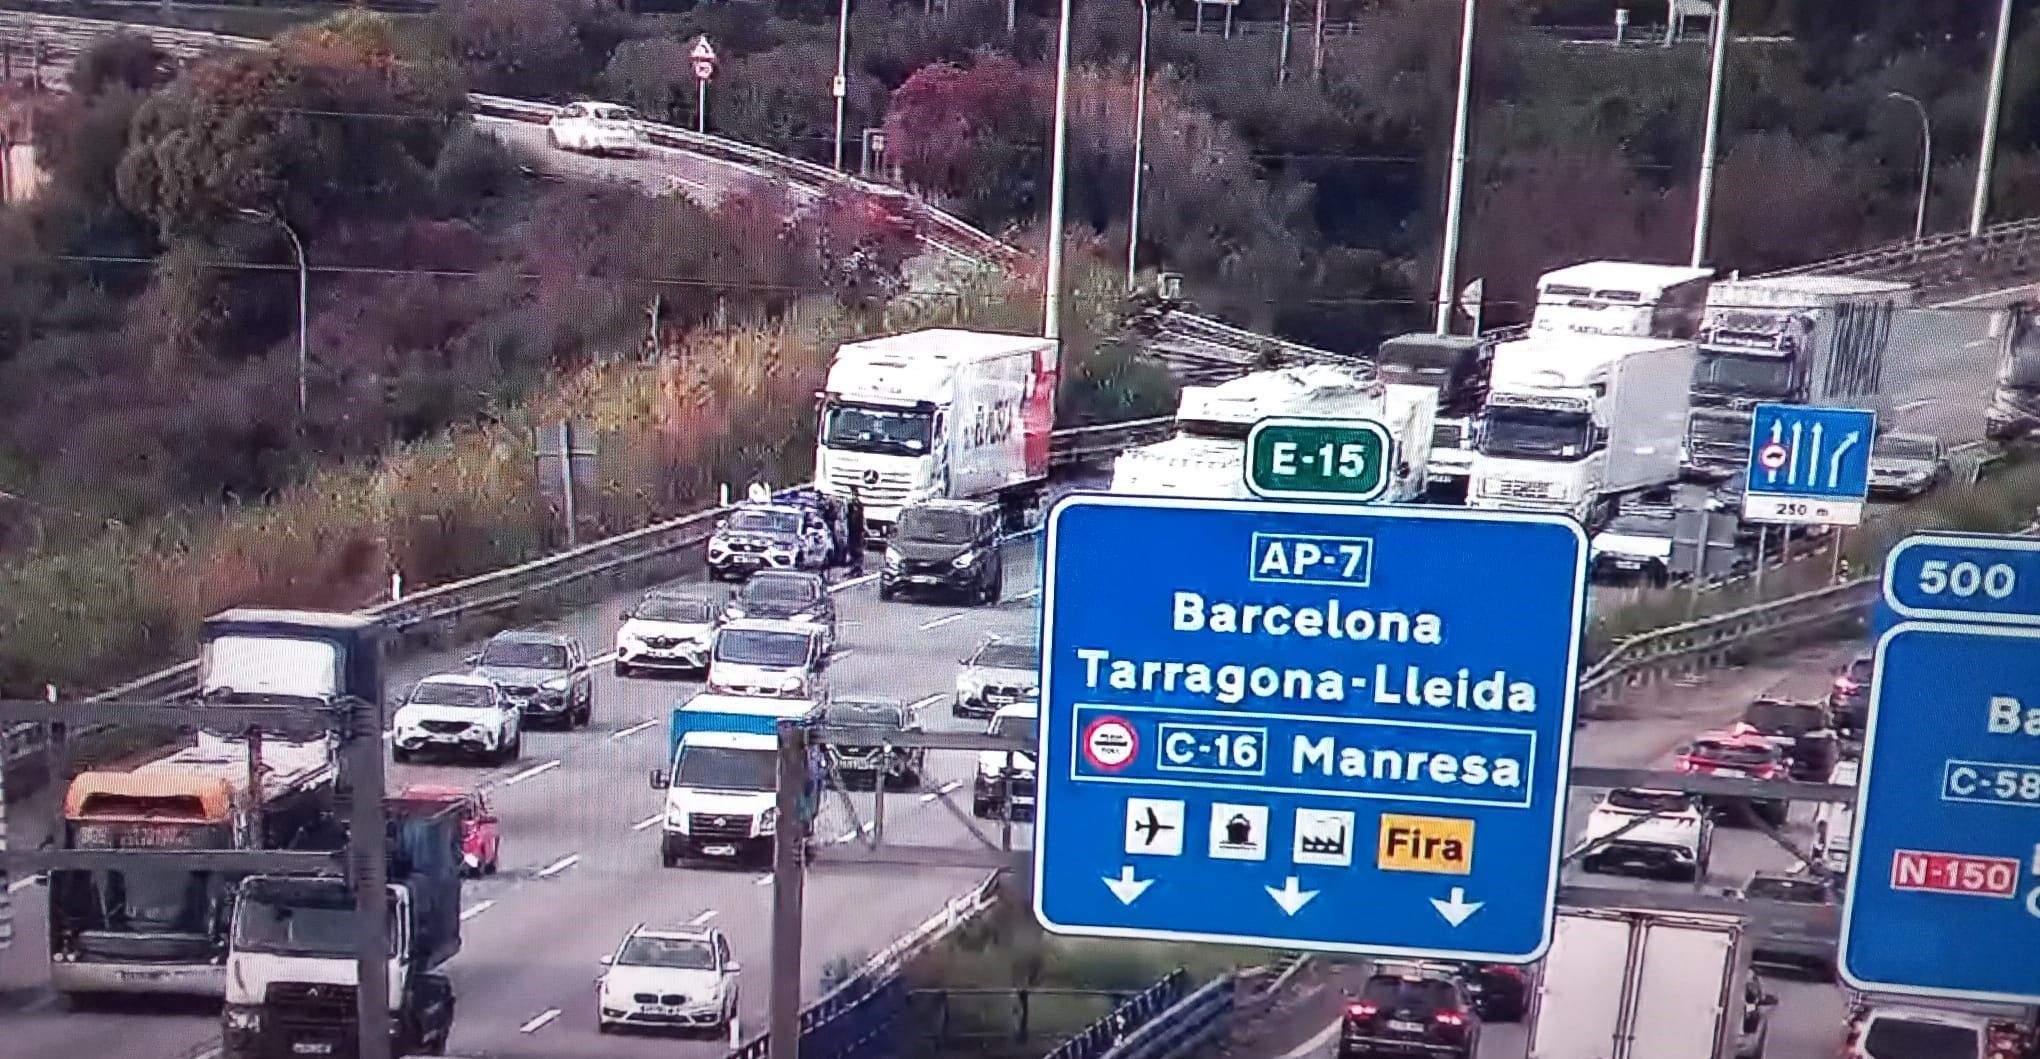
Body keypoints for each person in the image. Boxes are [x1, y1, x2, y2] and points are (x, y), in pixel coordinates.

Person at [844, 486, 867, 574]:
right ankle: (853, 567)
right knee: (852, 547)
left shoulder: (859, 505)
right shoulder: (849, 505)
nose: (853, 496)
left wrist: (865, 528)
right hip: (851, 530)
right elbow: (846, 516)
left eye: (854, 494)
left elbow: (862, 517)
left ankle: (859, 567)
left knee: (858, 548)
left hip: (858, 529)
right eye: (852, 494)